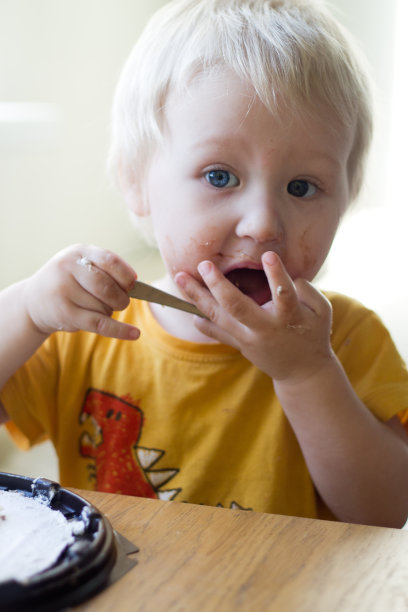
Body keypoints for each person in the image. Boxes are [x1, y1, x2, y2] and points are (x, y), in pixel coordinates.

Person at [1, 0, 408, 527]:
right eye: (220, 176)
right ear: (135, 182)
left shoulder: (348, 342)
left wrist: (307, 374)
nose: (262, 224)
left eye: (302, 186)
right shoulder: (88, 332)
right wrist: (29, 310)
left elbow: (387, 512)